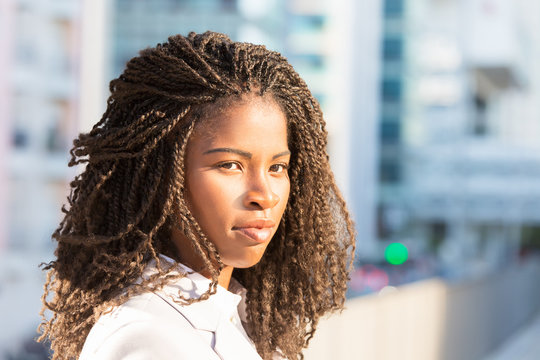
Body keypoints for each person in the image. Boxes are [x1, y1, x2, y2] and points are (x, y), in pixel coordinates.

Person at [38, 31, 355, 360]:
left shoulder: (233, 320)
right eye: (230, 165)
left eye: (277, 167)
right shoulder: (148, 340)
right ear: (161, 177)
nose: (265, 195)